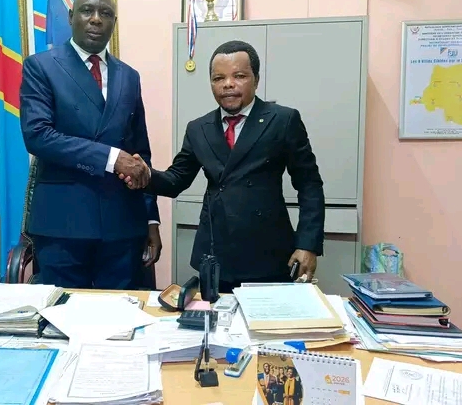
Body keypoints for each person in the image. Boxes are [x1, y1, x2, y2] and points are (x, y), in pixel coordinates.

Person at [121, 40, 325, 292]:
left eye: (239, 76)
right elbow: (176, 181)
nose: (228, 84)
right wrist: (145, 175)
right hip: (215, 254)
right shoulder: (199, 128)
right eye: (219, 78)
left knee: (265, 317)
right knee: (214, 316)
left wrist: (307, 244)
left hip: (269, 253)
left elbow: (309, 185)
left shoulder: (282, 120)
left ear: (256, 79)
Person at [20, 0, 161, 289]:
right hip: (63, 224)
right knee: (62, 312)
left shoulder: (129, 76)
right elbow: (38, 136)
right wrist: (111, 159)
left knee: (122, 313)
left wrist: (151, 218)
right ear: (71, 16)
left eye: (105, 13)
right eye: (87, 11)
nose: (96, 19)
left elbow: (140, 152)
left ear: (114, 22)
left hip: (122, 224)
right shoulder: (41, 67)